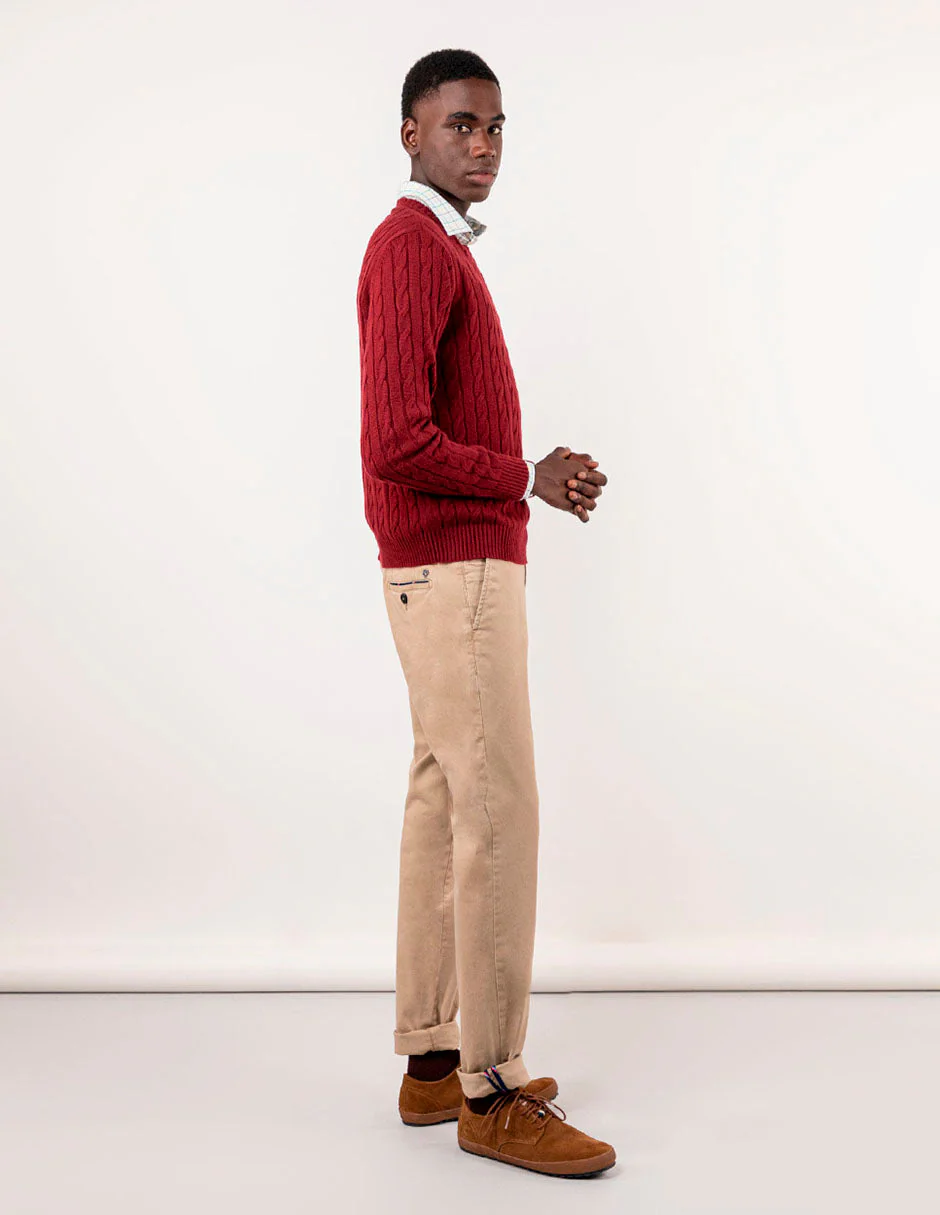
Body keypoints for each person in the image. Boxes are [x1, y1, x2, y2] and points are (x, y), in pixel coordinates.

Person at [356, 47, 615, 1177]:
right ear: (410, 134)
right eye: (461, 124)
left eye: (497, 127)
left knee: (442, 800)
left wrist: (527, 480)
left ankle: (433, 1057)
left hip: (445, 567)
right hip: (454, 572)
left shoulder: (433, 248)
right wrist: (524, 476)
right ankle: (493, 1087)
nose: (483, 145)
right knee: (497, 807)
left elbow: (418, 432)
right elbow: (395, 441)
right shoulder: (414, 246)